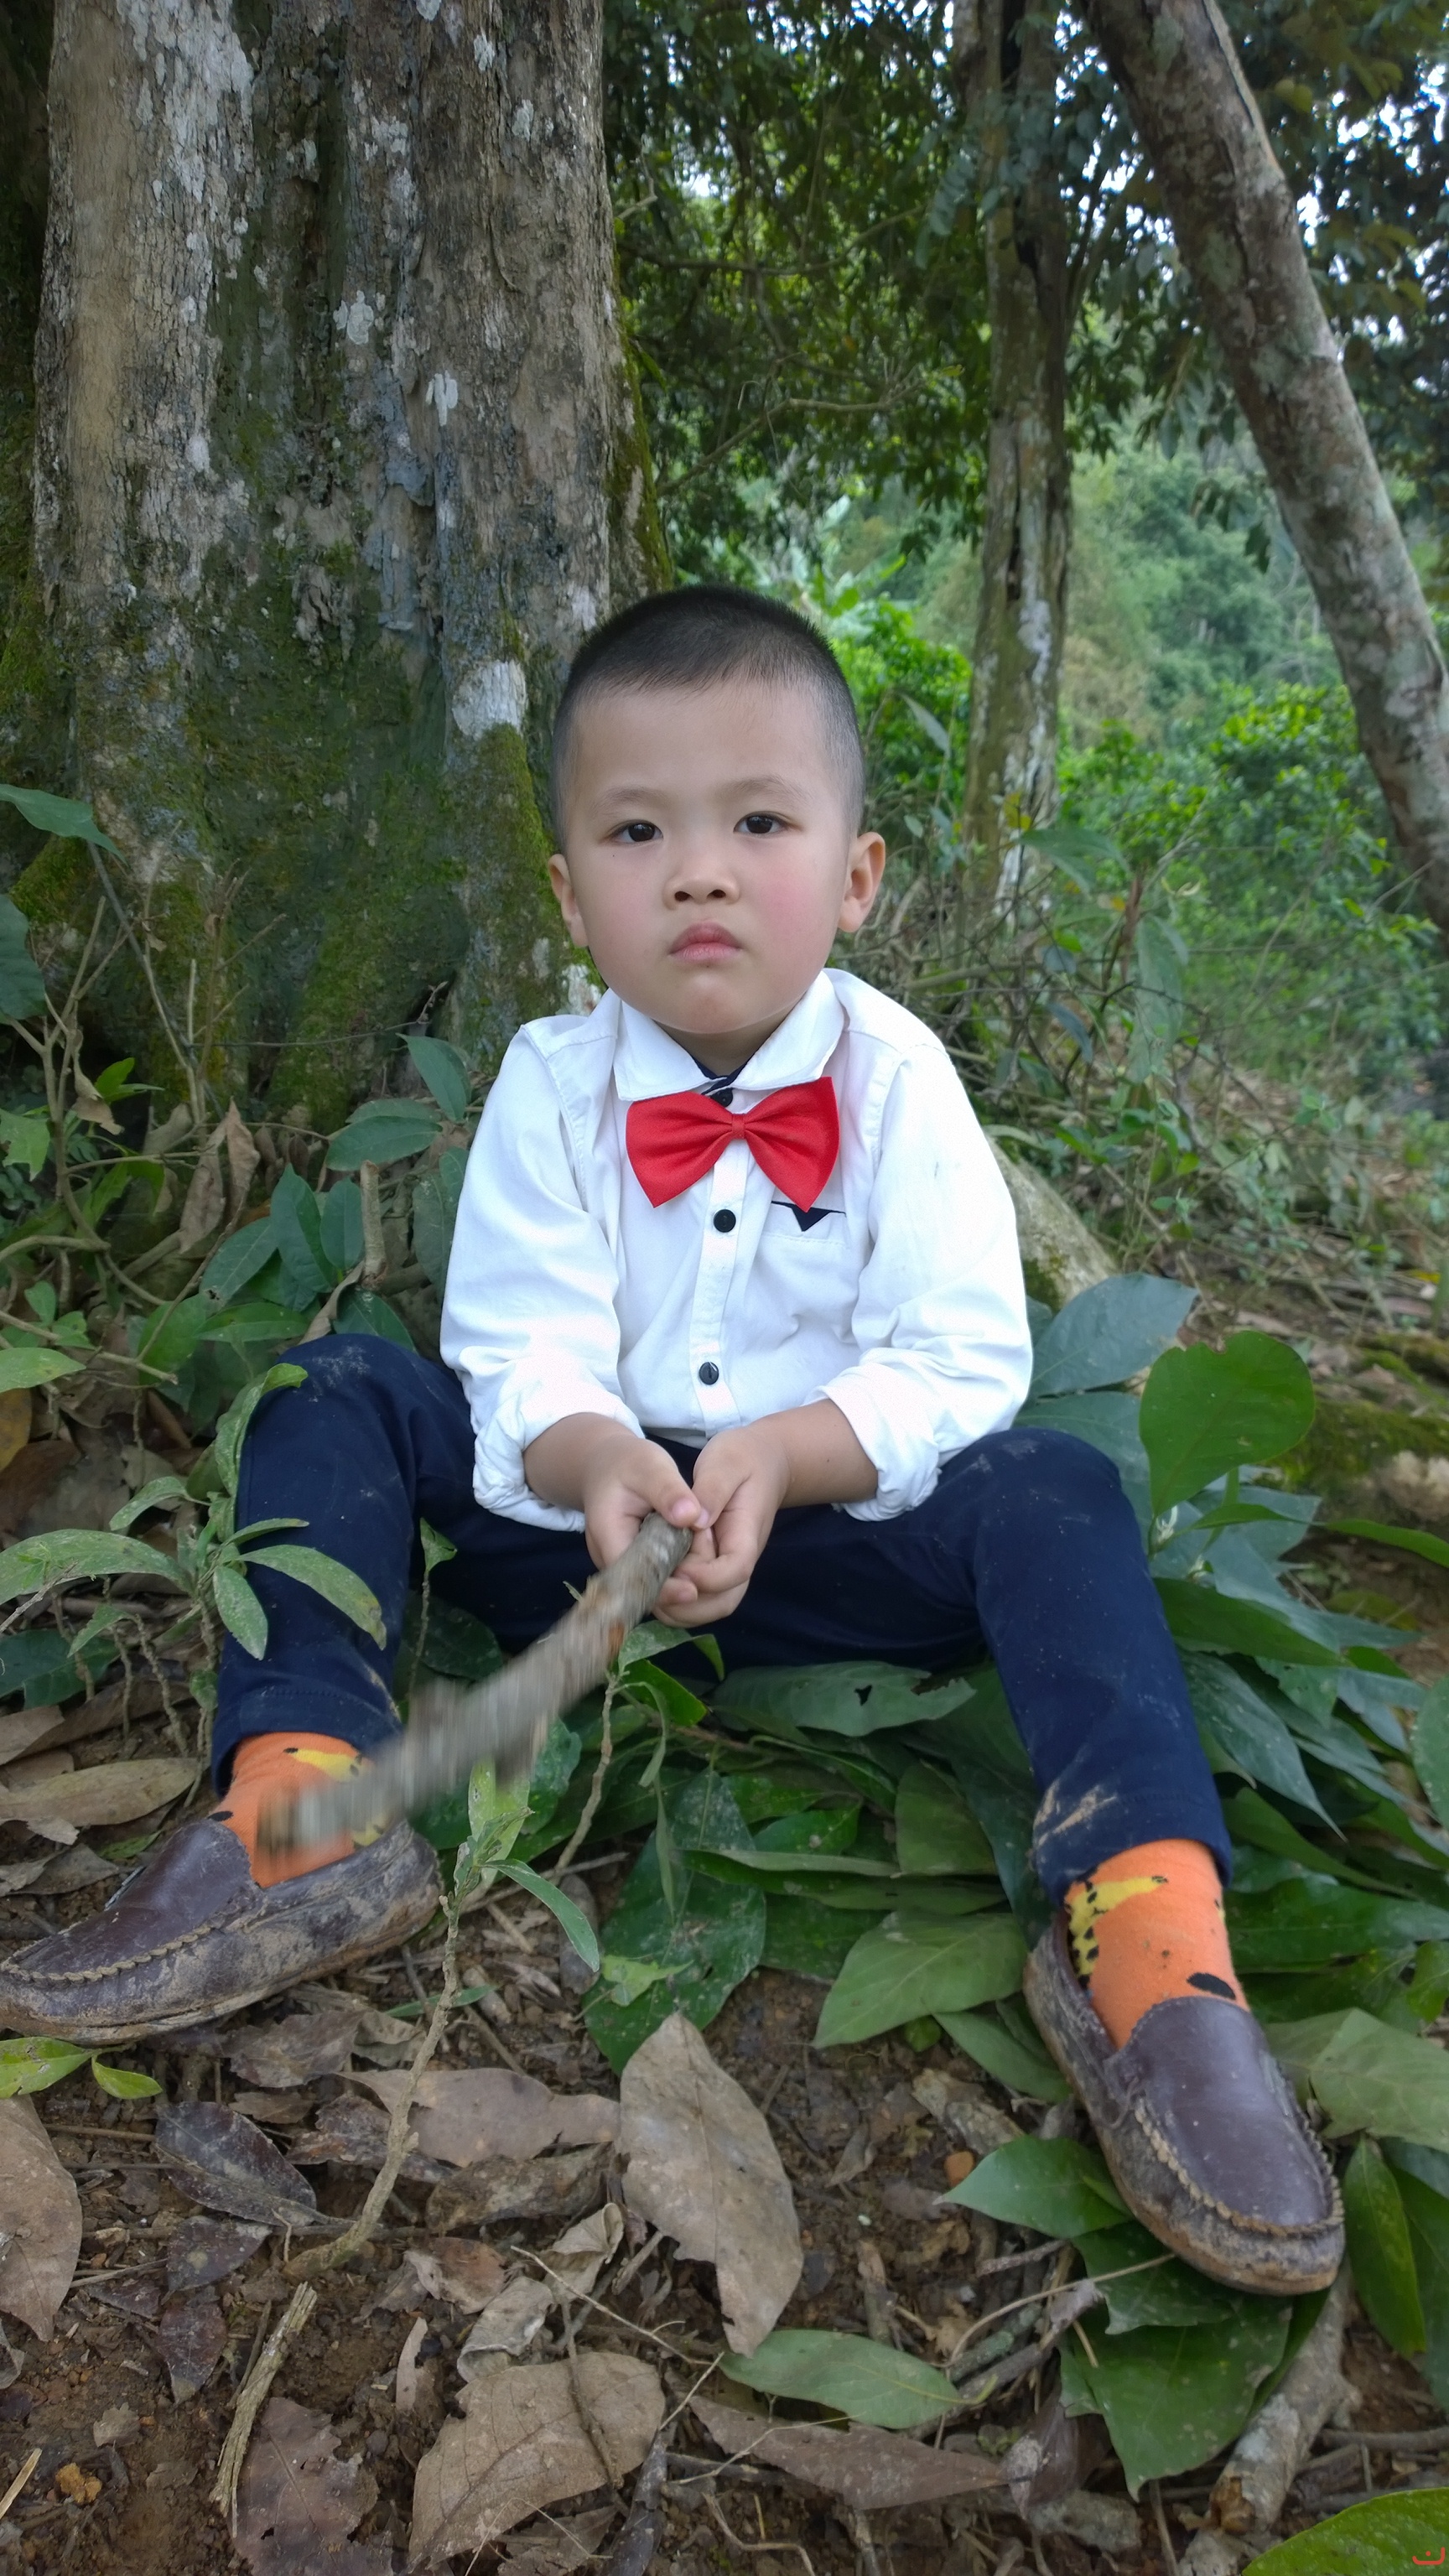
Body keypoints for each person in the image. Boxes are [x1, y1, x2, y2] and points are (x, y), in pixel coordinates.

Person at [0, 586, 1340, 2293]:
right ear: (571, 893)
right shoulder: (554, 1085)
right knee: (339, 1390)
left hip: (838, 1542)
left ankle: (1151, 1938)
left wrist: (786, 1452)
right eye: (640, 832)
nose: (700, 872)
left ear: (856, 876)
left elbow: (959, 1357)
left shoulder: (899, 1083)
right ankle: (300, 1806)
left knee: (1057, 1489)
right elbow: (519, 1341)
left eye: (759, 824)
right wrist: (593, 1459)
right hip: (581, 1534)